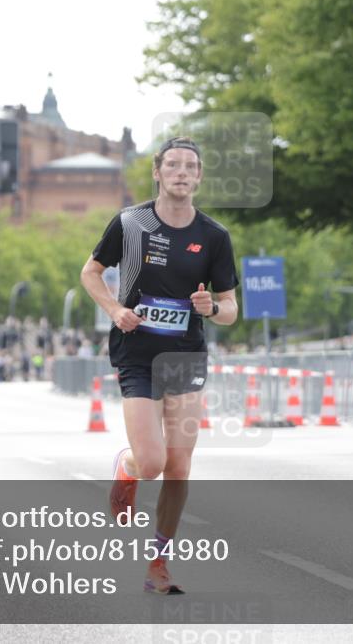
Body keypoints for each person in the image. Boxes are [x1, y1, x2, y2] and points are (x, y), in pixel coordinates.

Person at [79, 136, 239, 595]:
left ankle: (158, 562)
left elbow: (230, 309)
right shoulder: (130, 223)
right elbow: (90, 272)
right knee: (152, 461)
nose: (182, 172)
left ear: (199, 176)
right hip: (137, 351)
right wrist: (113, 310)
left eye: (190, 166)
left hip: (185, 354)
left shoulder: (213, 236)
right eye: (173, 165)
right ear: (157, 172)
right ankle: (127, 469)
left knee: (180, 465)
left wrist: (211, 308)